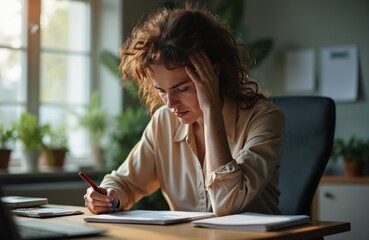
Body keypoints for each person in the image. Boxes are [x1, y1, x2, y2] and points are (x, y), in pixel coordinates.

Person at [83, 3, 284, 217]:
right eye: (161, 90)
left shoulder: (263, 118)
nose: (170, 103)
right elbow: (125, 182)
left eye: (182, 88)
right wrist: (108, 196)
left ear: (213, 74)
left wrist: (211, 111)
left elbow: (228, 203)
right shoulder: (165, 121)